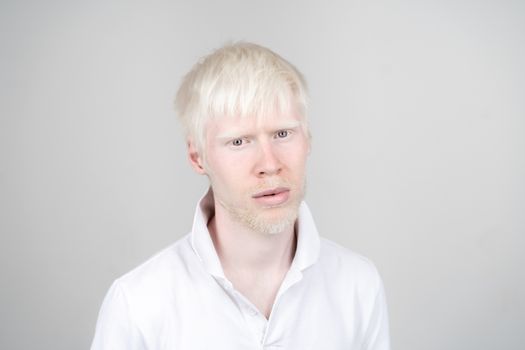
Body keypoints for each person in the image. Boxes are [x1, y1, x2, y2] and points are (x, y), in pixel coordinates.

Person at [90, 42, 390, 350]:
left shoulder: (358, 285)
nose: (270, 164)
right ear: (197, 157)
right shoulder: (138, 304)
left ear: (308, 139)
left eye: (283, 134)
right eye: (239, 141)